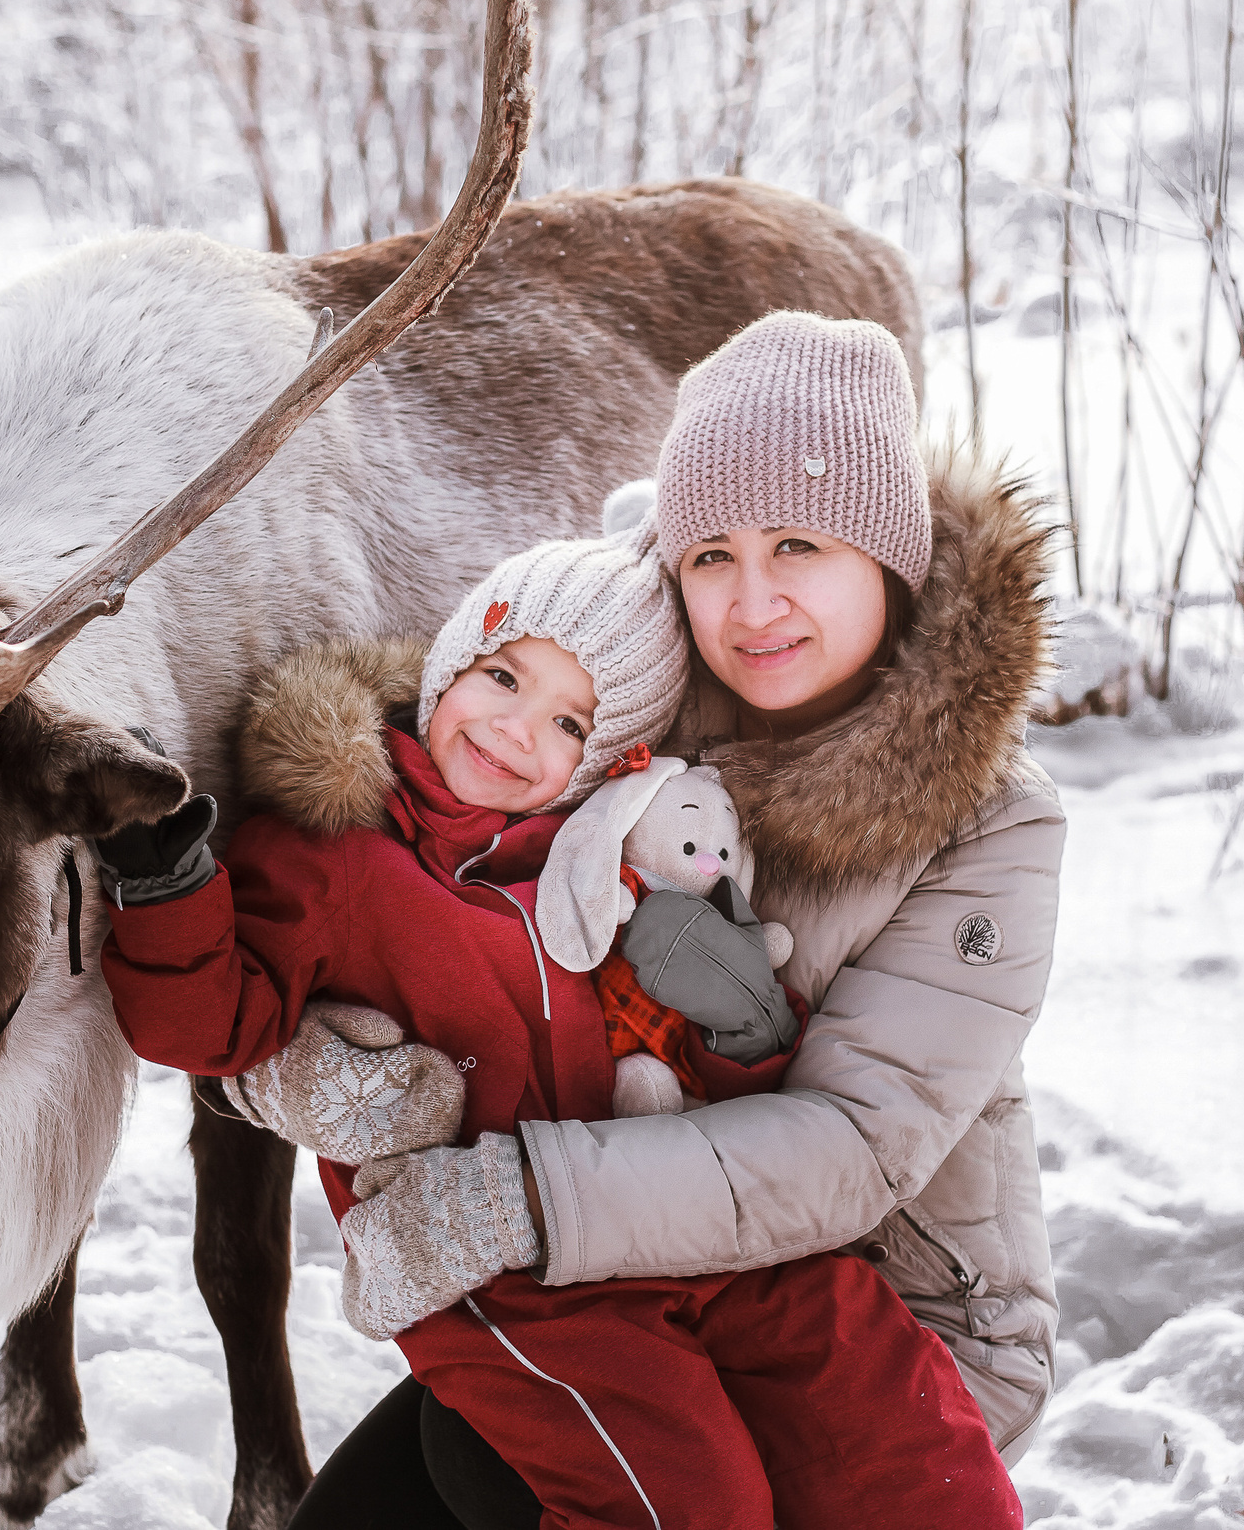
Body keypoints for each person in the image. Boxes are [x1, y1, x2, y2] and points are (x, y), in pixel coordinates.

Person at [227, 310, 1065, 1528]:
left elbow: (851, 1148)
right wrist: (292, 1072)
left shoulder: (990, 822)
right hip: (617, 1280)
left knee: (538, 1487)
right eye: (712, 552)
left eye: (799, 546)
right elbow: (406, 886)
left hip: (879, 1315)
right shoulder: (621, 686)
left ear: (891, 560)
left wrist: (518, 1195)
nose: (753, 601)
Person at [93, 528, 1021, 1530]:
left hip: (688, 1231)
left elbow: (692, 1078)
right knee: (687, 1501)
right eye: (501, 676)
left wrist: (740, 1028)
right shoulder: (341, 856)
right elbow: (210, 1027)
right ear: (450, 660)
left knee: (906, 1449)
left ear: (606, 761)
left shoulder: (611, 864)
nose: (516, 729)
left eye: (570, 722)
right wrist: (167, 886)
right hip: (511, 1274)